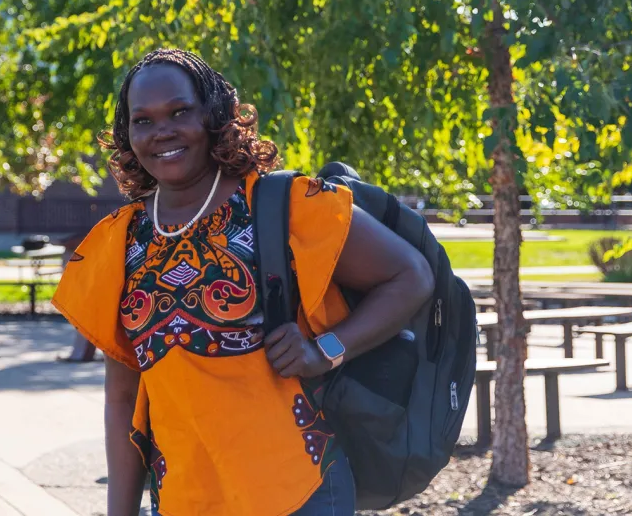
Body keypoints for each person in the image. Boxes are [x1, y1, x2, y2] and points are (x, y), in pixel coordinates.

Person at [51, 49, 433, 516]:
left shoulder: (282, 205)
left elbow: (410, 276)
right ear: (126, 134)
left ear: (213, 114)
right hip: (183, 502)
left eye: (179, 111)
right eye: (142, 120)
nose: (162, 131)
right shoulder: (119, 243)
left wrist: (326, 349)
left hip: (298, 491)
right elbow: (123, 399)